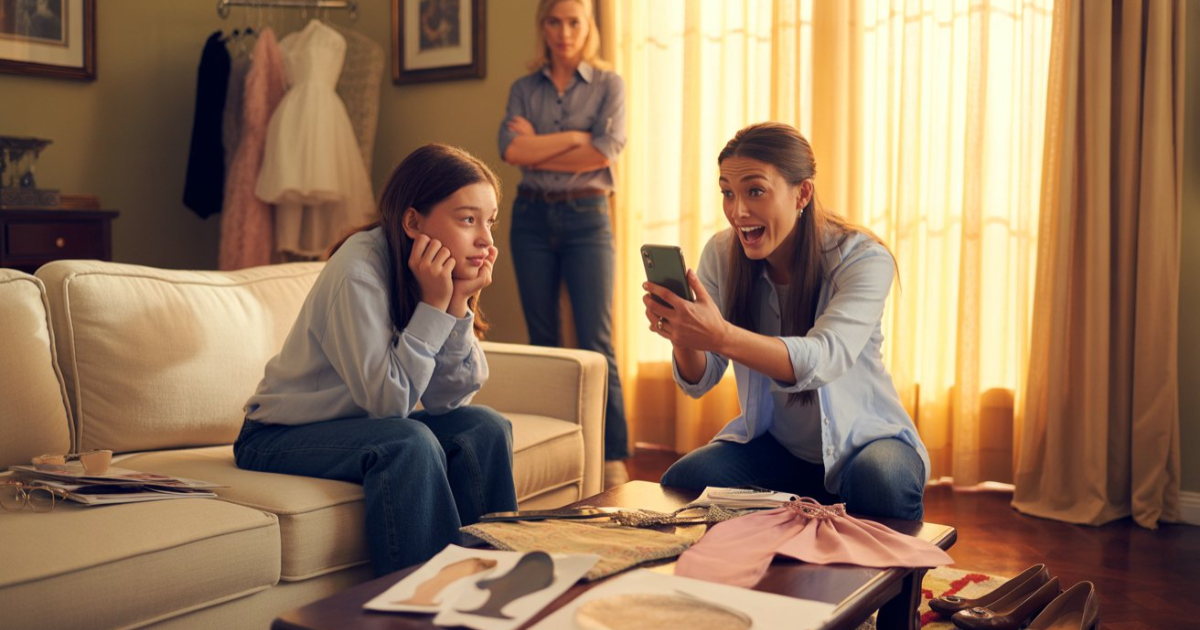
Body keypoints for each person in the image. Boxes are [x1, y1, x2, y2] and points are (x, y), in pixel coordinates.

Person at [234, 144, 518, 575]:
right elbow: (389, 404)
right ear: (413, 222)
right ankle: (425, 599)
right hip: (276, 437)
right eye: (467, 219)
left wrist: (457, 302)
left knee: (485, 426)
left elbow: (449, 400)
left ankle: (495, 581)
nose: (486, 240)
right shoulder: (358, 271)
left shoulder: (432, 275)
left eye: (489, 221)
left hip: (359, 427)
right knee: (408, 442)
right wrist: (434, 306)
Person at [643, 122, 931, 521]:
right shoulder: (722, 253)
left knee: (880, 483)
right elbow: (701, 379)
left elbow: (824, 357)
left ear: (803, 193)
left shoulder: (862, 257)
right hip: (780, 449)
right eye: (728, 192)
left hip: (866, 441)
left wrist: (720, 335)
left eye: (755, 191)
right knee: (685, 481)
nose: (738, 211)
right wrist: (683, 333)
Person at [497, 0, 630, 487]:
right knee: (543, 340)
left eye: (574, 21)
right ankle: (558, 453)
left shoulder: (609, 84)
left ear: (588, 26)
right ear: (543, 26)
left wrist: (544, 147)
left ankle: (612, 456)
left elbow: (604, 153)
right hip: (530, 217)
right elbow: (511, 150)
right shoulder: (523, 88)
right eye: (554, 21)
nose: (564, 32)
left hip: (587, 217)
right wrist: (577, 138)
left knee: (597, 341)